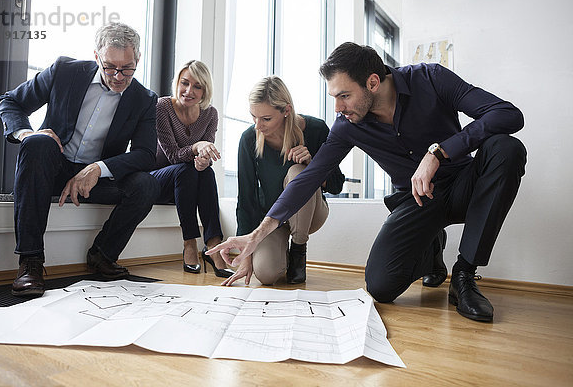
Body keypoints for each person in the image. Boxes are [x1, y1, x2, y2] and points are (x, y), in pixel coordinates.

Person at [208, 42, 527, 322]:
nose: (338, 107)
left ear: (373, 82)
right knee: (381, 287)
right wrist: (256, 235)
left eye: (344, 96)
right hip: (417, 199)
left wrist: (439, 152)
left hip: (463, 186)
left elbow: (507, 115)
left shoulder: (430, 79)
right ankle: (431, 248)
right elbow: (309, 180)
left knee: (506, 148)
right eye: (334, 97)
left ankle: (465, 274)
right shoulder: (347, 125)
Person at [0, 22, 160, 298]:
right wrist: (26, 133)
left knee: (146, 184)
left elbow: (145, 154)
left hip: (93, 179)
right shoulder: (64, 71)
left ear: (138, 59)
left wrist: (98, 168)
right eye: (110, 67)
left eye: (127, 67)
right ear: (97, 56)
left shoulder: (144, 99)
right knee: (37, 142)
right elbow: (10, 101)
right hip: (51, 168)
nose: (119, 76)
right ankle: (30, 264)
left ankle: (103, 255)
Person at [222, 76, 344, 287]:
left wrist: (313, 164)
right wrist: (246, 256)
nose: (258, 126)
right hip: (271, 220)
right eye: (253, 117)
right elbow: (246, 199)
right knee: (266, 274)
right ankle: (281, 256)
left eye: (266, 119)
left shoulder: (316, 130)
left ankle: (298, 250)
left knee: (298, 173)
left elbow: (336, 185)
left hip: (311, 213)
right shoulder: (249, 139)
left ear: (286, 110)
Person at [150, 60, 232, 278]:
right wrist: (197, 147)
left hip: (188, 184)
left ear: (205, 90)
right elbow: (173, 156)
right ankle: (189, 243)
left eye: (197, 86)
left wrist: (204, 160)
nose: (188, 91)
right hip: (158, 181)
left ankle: (214, 246)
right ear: (177, 82)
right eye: (184, 83)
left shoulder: (210, 114)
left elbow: (206, 155)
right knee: (185, 169)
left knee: (205, 171)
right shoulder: (163, 107)